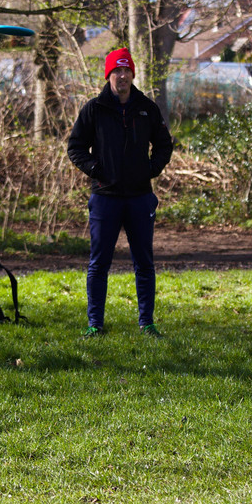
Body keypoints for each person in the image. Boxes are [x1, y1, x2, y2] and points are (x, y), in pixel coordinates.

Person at [67, 48, 174, 337]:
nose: (122, 76)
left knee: (144, 263)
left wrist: (151, 169)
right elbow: (75, 147)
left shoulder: (147, 108)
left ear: (132, 74)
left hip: (140, 197)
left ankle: (147, 323)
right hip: (105, 197)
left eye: (127, 71)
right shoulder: (94, 109)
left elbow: (165, 144)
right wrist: (95, 169)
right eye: (117, 71)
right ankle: (94, 324)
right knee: (99, 263)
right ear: (109, 74)